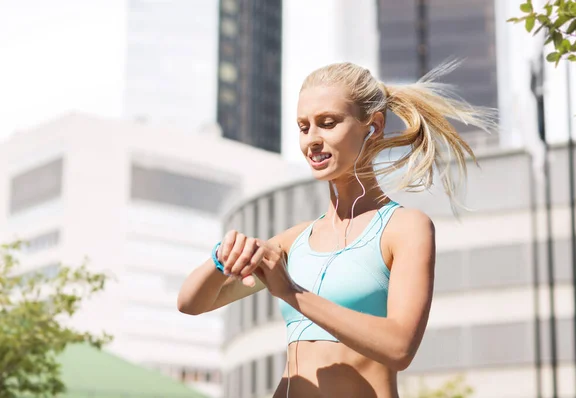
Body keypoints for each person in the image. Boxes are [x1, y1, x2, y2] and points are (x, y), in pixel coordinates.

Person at [177, 61, 494, 398]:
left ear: (373, 126)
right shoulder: (294, 240)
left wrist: (291, 293)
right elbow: (191, 303)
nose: (312, 140)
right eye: (303, 127)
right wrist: (221, 257)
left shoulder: (404, 228)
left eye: (327, 124)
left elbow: (400, 347)